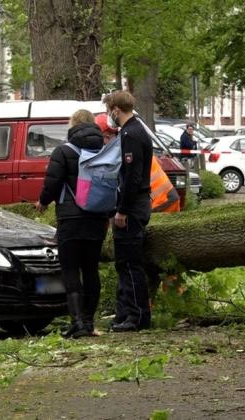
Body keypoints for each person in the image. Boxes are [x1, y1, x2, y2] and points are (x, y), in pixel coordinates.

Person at [36, 109, 108, 338]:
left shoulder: (63, 151)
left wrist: (43, 202)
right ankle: (88, 322)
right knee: (91, 270)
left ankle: (76, 322)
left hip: (70, 217)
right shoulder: (103, 151)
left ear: (73, 125)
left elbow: (53, 182)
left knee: (70, 269)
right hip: (97, 217)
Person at [103, 91, 153, 332]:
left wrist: (122, 210)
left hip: (132, 208)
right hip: (133, 205)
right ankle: (124, 314)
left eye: (108, 111)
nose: (108, 116)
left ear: (115, 110)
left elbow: (132, 177)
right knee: (123, 263)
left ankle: (137, 316)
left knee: (130, 263)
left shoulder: (131, 134)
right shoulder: (130, 131)